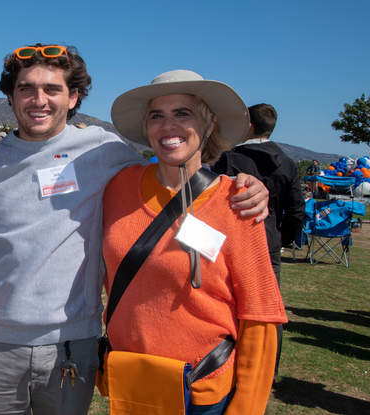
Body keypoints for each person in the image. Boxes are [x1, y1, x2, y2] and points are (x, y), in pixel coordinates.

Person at [0, 44, 270, 415]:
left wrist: (248, 186)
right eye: (26, 88)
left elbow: (261, 315)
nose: (38, 100)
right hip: (1, 342)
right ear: (10, 97)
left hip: (81, 346)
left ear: (73, 97)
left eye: (53, 89)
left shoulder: (104, 151)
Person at [104, 69, 287, 414]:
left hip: (201, 393)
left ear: (209, 124)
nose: (167, 125)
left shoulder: (238, 202)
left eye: (182, 113)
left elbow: (260, 318)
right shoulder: (118, 186)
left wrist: (245, 409)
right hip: (131, 382)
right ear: (146, 127)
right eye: (156, 115)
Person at [212, 103, 305, 376]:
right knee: (267, 309)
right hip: (269, 242)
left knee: (231, 305)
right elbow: (296, 209)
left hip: (231, 241)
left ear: (248, 126)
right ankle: (267, 370)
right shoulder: (286, 162)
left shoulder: (229, 158)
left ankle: (229, 364)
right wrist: (281, 238)